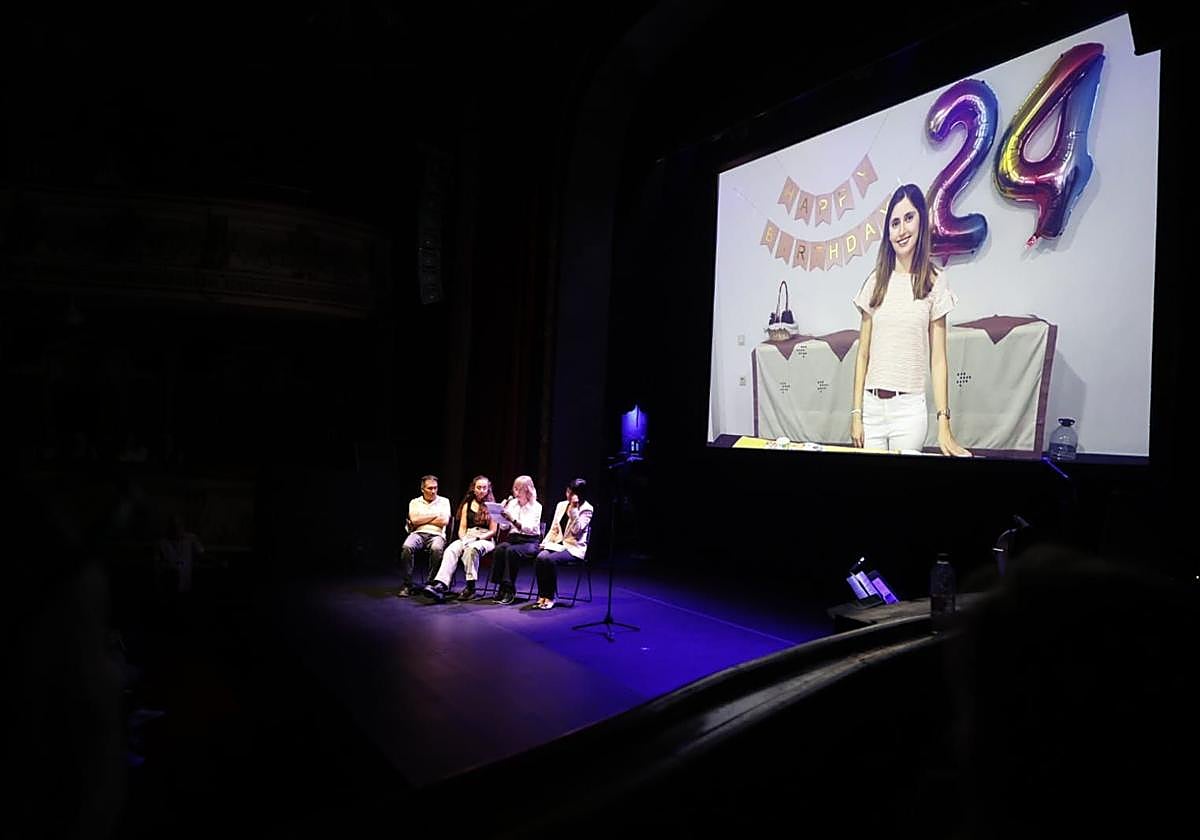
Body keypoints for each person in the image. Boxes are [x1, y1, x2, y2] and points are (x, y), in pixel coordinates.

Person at [850, 183, 970, 456]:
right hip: (872, 409)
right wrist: (856, 413)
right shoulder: (875, 282)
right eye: (894, 223)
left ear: (921, 221)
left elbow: (938, 359)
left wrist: (944, 423)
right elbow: (863, 355)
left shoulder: (935, 281)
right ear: (888, 233)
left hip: (909, 412)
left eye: (908, 218)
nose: (902, 230)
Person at [424, 475, 497, 602]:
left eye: (484, 488)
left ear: (488, 489)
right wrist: (464, 540)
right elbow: (462, 529)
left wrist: (478, 538)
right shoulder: (467, 505)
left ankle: (471, 588)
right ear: (473, 488)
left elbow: (493, 531)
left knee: (471, 549)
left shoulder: (492, 506)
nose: (481, 490)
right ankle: (441, 585)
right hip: (468, 536)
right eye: (479, 487)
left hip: (485, 538)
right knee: (451, 549)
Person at [532, 478, 593, 610]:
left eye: (572, 493)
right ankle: (542, 595)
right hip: (558, 544)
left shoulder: (587, 509)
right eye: (568, 492)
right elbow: (554, 528)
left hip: (573, 548)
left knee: (550, 560)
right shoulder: (561, 505)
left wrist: (574, 510)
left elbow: (577, 531)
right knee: (540, 557)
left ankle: (550, 597)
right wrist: (545, 543)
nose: (568, 495)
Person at [490, 475, 543, 605]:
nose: (516, 492)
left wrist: (512, 519)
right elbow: (504, 527)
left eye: (520, 489)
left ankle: (509, 589)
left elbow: (530, 529)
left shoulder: (536, 506)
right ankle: (501, 587)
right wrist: (500, 514)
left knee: (511, 551)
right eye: (515, 488)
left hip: (530, 541)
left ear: (528, 490)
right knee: (500, 549)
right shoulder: (512, 503)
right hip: (513, 539)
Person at [397, 475, 452, 597]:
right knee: (407, 547)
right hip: (418, 533)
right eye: (430, 488)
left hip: (437, 534)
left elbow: (444, 521)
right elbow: (414, 520)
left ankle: (431, 584)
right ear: (422, 489)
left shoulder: (444, 501)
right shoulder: (414, 502)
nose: (433, 491)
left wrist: (423, 518)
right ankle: (407, 584)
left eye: (435, 488)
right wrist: (435, 515)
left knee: (436, 548)